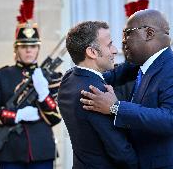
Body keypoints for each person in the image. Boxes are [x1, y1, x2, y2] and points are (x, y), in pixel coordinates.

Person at [80, 9, 173, 169]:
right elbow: (100, 75)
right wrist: (74, 78)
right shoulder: (139, 66)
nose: (122, 41)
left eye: (127, 34)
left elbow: (172, 119)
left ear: (149, 33)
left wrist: (115, 107)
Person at [0, 0, 62, 169]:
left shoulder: (50, 78)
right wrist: (16, 116)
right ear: (16, 49)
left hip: (41, 151)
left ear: (38, 49)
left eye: (33, 46)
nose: (28, 50)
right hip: (10, 152)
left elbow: (55, 117)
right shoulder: (1, 76)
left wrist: (43, 94)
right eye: (23, 46)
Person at [57, 21, 138, 169]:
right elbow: (119, 150)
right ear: (92, 52)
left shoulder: (70, 79)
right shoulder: (96, 94)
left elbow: (114, 74)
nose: (115, 50)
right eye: (109, 45)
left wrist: (142, 59)